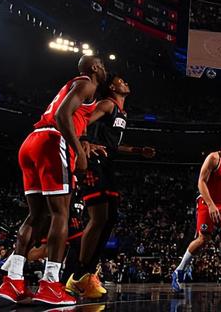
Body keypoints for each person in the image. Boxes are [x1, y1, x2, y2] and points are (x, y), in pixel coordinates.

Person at [0, 55, 106, 306]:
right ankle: (51, 284)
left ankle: (13, 280)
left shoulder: (78, 88)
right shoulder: (86, 83)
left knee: (36, 216)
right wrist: (78, 151)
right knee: (60, 215)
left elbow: (73, 117)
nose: (105, 70)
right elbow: (62, 115)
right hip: (53, 141)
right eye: (103, 65)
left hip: (32, 142)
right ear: (95, 68)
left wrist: (86, 143)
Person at [65, 74, 156, 299]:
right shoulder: (106, 104)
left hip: (107, 163)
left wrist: (137, 151)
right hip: (93, 162)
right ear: (112, 87)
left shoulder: (121, 112)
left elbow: (112, 144)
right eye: (121, 81)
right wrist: (85, 142)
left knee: (111, 217)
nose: (126, 82)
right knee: (99, 217)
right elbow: (82, 119)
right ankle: (79, 274)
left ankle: (87, 272)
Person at [171, 131, 221, 297]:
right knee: (203, 239)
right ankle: (179, 271)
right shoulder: (214, 158)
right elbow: (201, 181)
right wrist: (210, 204)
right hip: (208, 200)